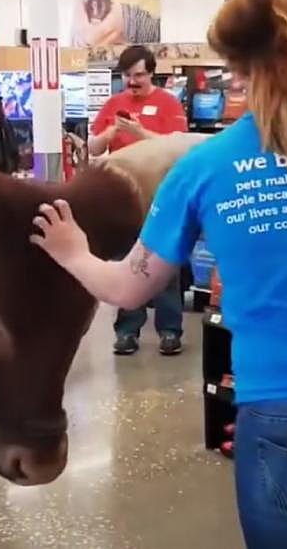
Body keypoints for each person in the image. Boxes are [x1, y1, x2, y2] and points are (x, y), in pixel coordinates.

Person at [29, 0, 287, 549]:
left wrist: (72, 250)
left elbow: (129, 288)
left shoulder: (205, 168)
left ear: (236, 73)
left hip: (278, 407)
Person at [88, 45, 188, 355]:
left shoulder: (168, 103)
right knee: (125, 263)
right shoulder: (114, 103)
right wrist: (109, 134)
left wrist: (140, 132)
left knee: (165, 262)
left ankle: (170, 331)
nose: (133, 81)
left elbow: (179, 145)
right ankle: (127, 331)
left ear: (152, 72)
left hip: (161, 196)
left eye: (139, 75)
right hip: (123, 199)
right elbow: (93, 147)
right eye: (128, 76)